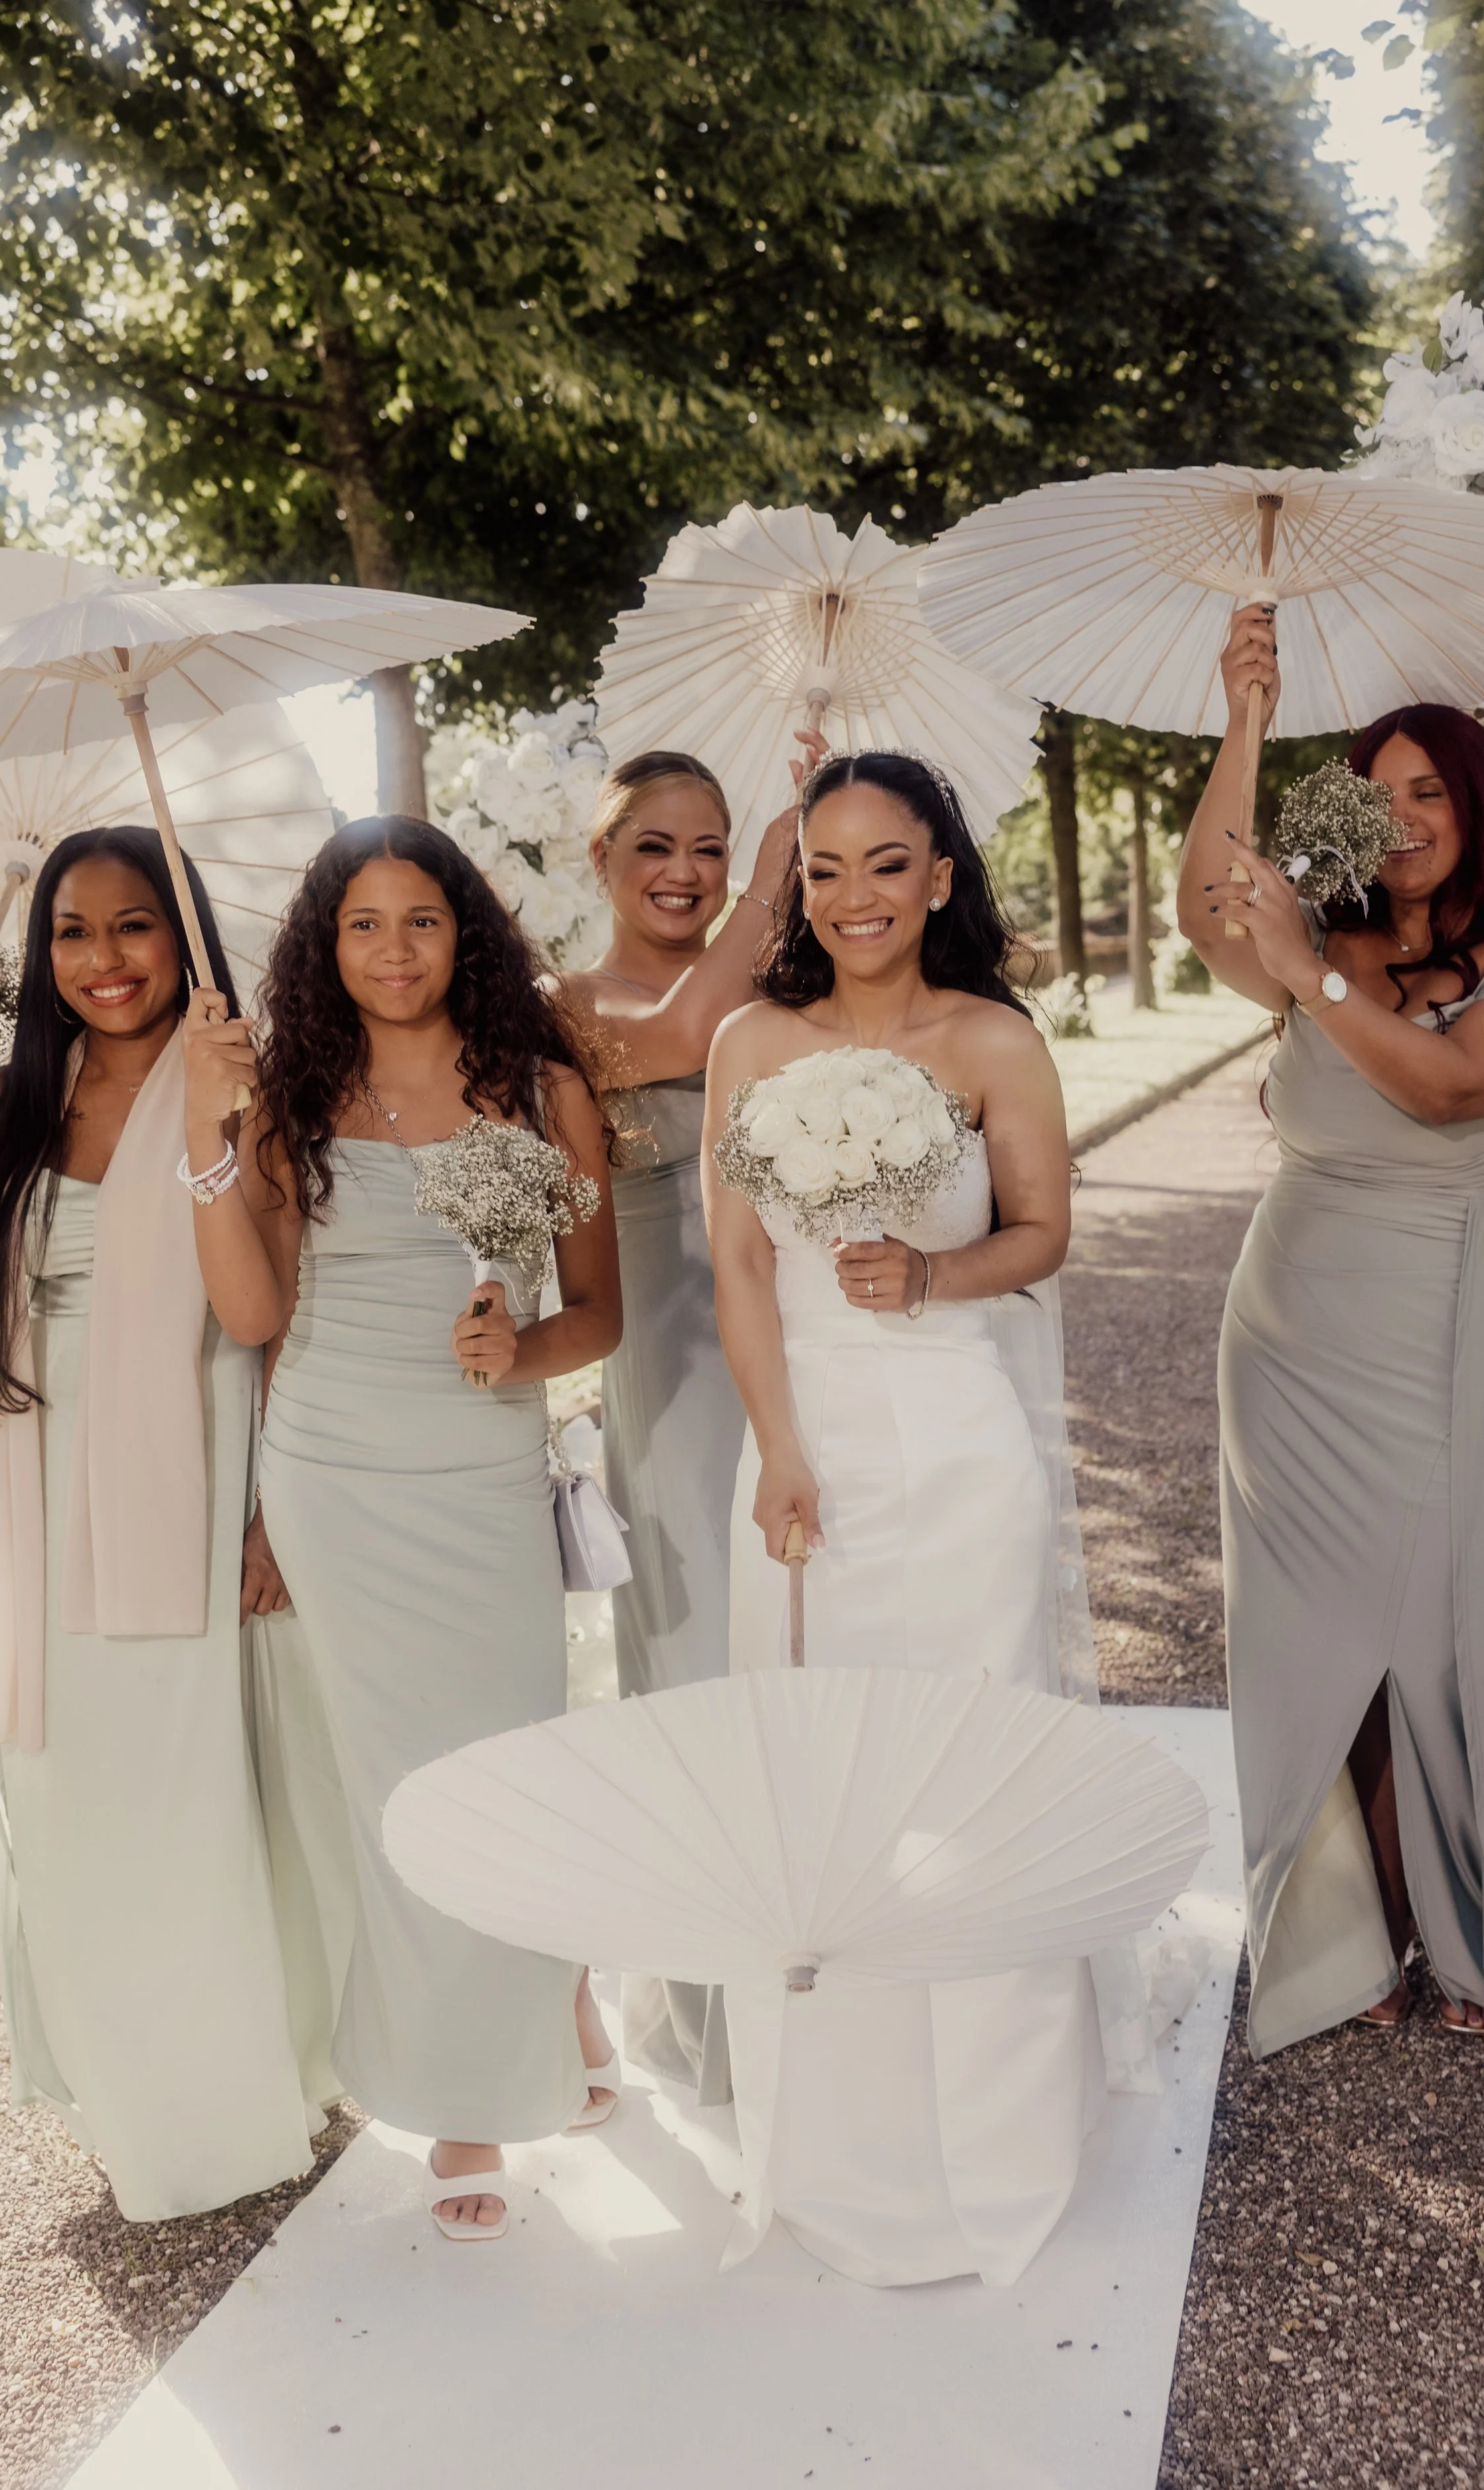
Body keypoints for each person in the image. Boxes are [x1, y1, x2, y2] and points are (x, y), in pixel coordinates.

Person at [701, 750, 1112, 2287]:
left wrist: (932, 1275)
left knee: (969, 1767)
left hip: (953, 1439)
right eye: (823, 867)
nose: (853, 896)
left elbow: (1042, 1231)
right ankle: (833, 2150)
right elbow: (739, 1266)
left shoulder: (992, 1039)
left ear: (940, 875)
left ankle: (999, 2147)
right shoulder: (752, 1034)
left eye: (886, 864)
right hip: (808, 1441)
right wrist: (776, 1449)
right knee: (817, 1784)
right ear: (795, 881)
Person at [1178, 606, 1484, 2056]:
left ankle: (1463, 1918)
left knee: (1436, 1627)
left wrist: (1312, 980)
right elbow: (1199, 906)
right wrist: (1244, 716)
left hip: (1452, 1332)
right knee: (1313, 1638)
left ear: (1476, 807)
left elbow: (1450, 1088)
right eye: (1380, 793)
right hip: (1288, 1338)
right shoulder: (1325, 937)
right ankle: (1346, 1938)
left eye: (1432, 790)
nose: (1406, 816)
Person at [205, 816, 622, 2241]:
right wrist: (263, 1508)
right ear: (326, 948)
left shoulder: (537, 1093)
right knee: (398, 1787)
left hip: (478, 1466)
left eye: (421, 921)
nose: (393, 951)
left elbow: (600, 1310)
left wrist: (525, 1349)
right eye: (362, 926)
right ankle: (462, 2093)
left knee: (507, 1759)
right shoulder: (285, 1095)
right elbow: (258, 1321)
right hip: (331, 1468)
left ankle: (554, 1980)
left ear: (468, 934)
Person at [0, 826, 331, 2220]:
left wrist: (268, 1518)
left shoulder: (242, 1086)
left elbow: (263, 1320)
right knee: (61, 1803)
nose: (103, 960)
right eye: (72, 933)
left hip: (189, 1469)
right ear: (38, 957)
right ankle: (126, 2090)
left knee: (186, 1800)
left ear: (182, 939)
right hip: (28, 1491)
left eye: (133, 927)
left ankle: (226, 2098)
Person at [563, 743, 815, 2101]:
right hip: (663, 1355)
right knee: (697, 1637)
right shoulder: (565, 1001)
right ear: (599, 861)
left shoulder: (778, 970)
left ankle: (825, 1972)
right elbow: (674, 1042)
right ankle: (718, 2006)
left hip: (797, 1332)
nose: (684, 872)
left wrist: (811, 871)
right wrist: (771, 885)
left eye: (711, 846)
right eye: (653, 846)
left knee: (804, 1629)